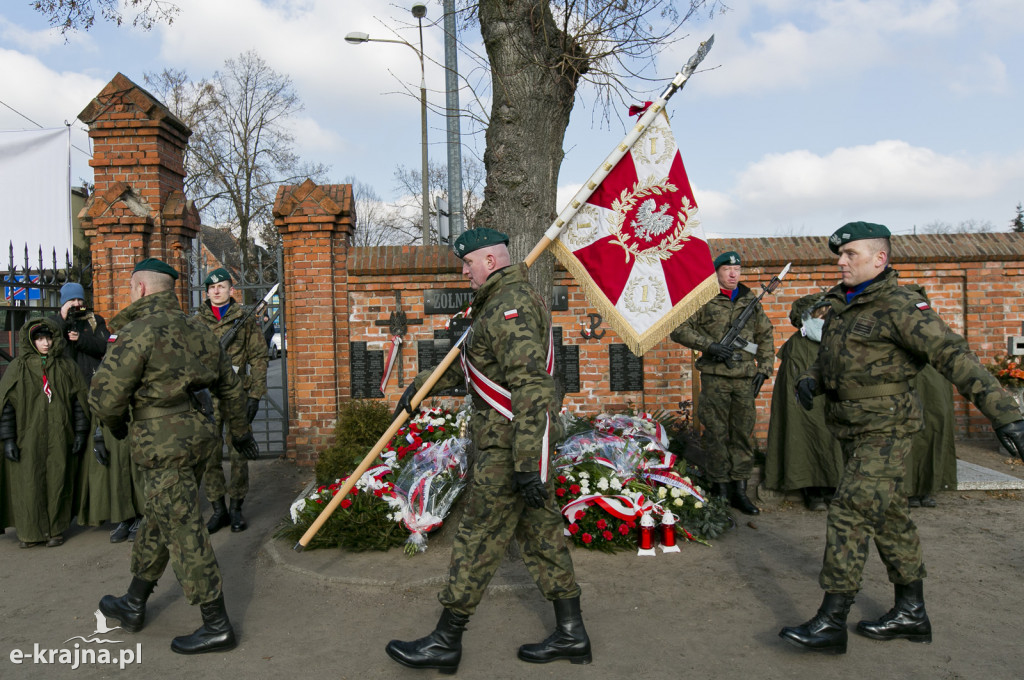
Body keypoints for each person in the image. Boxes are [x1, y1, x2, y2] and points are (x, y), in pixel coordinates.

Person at [779, 221, 1024, 655]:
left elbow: (953, 355)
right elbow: (836, 354)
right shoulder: (842, 305)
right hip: (850, 426)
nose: (841, 261)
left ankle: (831, 621)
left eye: (851, 253)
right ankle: (911, 612)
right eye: (840, 254)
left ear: (880, 258)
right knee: (889, 517)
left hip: (887, 428)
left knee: (850, 511)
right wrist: (813, 378)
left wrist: (1006, 416)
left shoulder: (901, 306)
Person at [385, 228, 589, 673]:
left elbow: (533, 387)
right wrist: (420, 388)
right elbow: (475, 370)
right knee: (542, 535)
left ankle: (445, 639)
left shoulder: (506, 308)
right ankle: (572, 633)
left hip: (508, 448)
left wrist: (526, 465)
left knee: (478, 538)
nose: (464, 271)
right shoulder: (501, 304)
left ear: (491, 262)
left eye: (468, 263)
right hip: (518, 446)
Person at [89, 257, 260, 655]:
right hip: (199, 437)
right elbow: (231, 387)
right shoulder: (199, 329)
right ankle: (134, 600)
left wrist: (114, 427)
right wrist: (239, 432)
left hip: (161, 443)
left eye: (133, 287)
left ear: (141, 289)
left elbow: (105, 398)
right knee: (161, 515)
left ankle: (216, 624)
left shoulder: (136, 333)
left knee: (183, 527)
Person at [670, 251, 775, 515]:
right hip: (715, 378)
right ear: (716, 272)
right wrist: (711, 346)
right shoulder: (703, 299)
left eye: (737, 269)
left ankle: (740, 490)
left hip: (743, 379)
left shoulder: (751, 300)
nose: (733, 274)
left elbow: (765, 334)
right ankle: (720, 490)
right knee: (716, 434)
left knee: (742, 433)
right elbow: (679, 329)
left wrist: (763, 368)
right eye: (727, 269)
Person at [52, 282, 142, 542]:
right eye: (72, 302)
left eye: (80, 301)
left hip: (95, 391)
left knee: (103, 454)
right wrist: (63, 318)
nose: (78, 306)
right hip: (68, 394)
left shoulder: (94, 320)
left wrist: (81, 339)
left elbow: (105, 347)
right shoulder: (56, 322)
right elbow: (46, 341)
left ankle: (125, 514)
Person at [0, 317, 90, 547]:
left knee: (58, 478)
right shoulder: (17, 368)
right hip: (26, 436)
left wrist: (80, 433)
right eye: (39, 338)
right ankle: (30, 533)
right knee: (28, 482)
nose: (45, 343)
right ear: (30, 340)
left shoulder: (66, 366)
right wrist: (8, 438)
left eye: (48, 337)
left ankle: (55, 529)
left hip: (60, 434)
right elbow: (7, 406)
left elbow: (78, 401)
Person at [197, 268, 268, 534]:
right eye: (212, 288)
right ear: (207, 292)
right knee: (210, 455)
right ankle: (219, 510)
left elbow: (259, 357)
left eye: (222, 287)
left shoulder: (244, 318)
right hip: (207, 396)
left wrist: (255, 395)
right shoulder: (197, 322)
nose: (216, 291)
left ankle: (237, 507)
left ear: (231, 290)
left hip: (237, 393)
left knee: (239, 453)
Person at [764, 293, 843, 511]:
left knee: (832, 440)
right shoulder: (797, 344)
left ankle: (832, 487)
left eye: (828, 314)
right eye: (821, 314)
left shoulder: (836, 340)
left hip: (831, 403)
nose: (825, 319)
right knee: (806, 440)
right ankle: (812, 490)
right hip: (804, 404)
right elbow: (789, 385)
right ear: (808, 316)